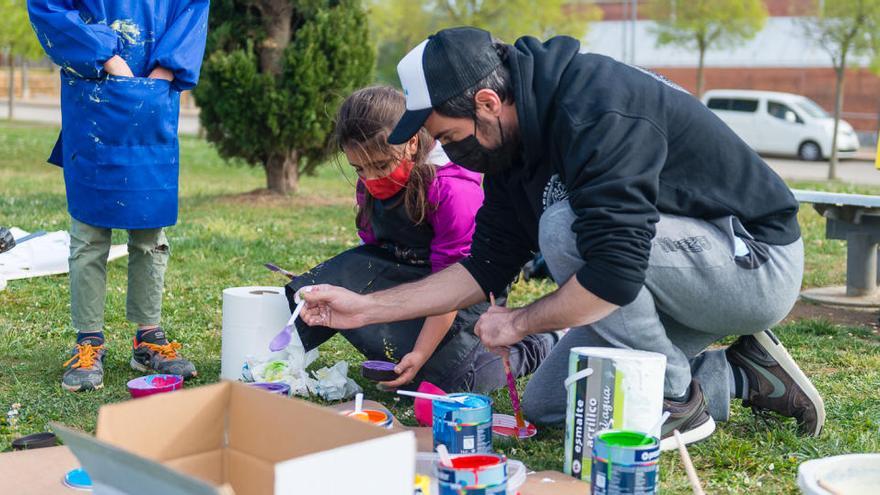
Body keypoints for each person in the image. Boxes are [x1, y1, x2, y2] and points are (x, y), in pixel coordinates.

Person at [300, 27, 824, 449]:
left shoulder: (594, 106)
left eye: (447, 137)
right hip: (672, 273)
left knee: (564, 228)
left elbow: (614, 271)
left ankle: (676, 399)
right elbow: (481, 269)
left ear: (486, 101)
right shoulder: (508, 144)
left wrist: (519, 322)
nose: (447, 153)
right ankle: (738, 375)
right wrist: (362, 308)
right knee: (555, 406)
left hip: (754, 262)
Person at [286, 86, 555, 392]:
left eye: (381, 165)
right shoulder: (370, 185)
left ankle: (544, 342)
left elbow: (453, 282)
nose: (371, 179)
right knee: (318, 286)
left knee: (455, 381)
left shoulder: (451, 190)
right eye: (359, 168)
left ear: (412, 142)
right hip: (412, 271)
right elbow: (373, 254)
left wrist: (420, 352)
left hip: (463, 287)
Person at [28, 1, 210, 391]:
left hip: (156, 94)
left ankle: (148, 339)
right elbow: (47, 7)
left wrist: (163, 73)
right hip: (92, 92)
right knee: (89, 233)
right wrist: (106, 56)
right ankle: (89, 341)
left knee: (150, 232)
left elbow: (192, 10)